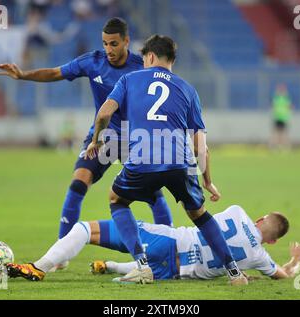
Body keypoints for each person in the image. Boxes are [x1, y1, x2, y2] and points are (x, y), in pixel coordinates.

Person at [0, 18, 173, 269]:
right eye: (105, 43)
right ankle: (61, 252)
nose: (109, 49)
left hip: (135, 139)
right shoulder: (93, 61)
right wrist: (23, 75)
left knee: (153, 193)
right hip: (103, 137)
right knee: (78, 182)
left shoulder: (141, 67)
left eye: (114, 43)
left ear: (126, 41)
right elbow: (56, 72)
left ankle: (171, 243)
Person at [84, 35, 246, 285]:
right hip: (180, 163)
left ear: (149, 57)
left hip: (143, 160)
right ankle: (234, 272)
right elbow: (201, 146)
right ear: (171, 59)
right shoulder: (188, 90)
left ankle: (141, 265)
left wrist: (96, 140)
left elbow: (104, 113)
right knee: (200, 214)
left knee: (117, 200)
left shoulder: (129, 79)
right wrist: (208, 181)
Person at [6, 205, 300, 282]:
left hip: (170, 241)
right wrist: (295, 261)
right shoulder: (258, 256)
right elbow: (281, 275)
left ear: (259, 219)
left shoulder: (237, 211)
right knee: (141, 266)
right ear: (272, 240)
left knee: (87, 230)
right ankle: (113, 267)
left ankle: (39, 267)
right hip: (175, 272)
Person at [270, 84, 292, 150]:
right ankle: (275, 146)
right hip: (278, 117)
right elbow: (273, 107)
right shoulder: (276, 98)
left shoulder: (286, 98)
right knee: (277, 133)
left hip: (283, 117)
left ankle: (283, 146)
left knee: (283, 133)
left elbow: (289, 107)